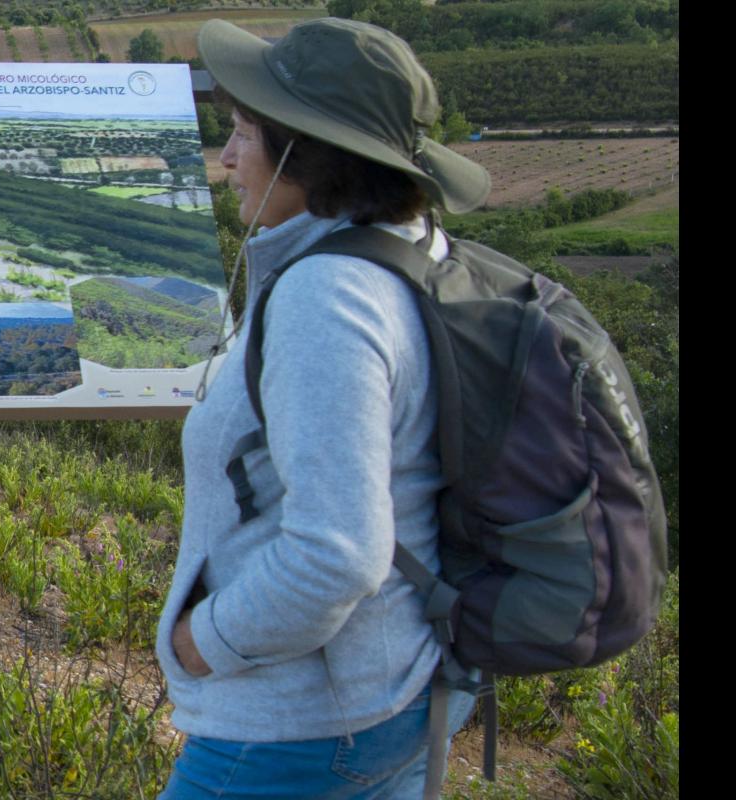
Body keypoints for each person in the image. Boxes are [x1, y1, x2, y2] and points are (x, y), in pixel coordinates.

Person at [155, 17, 492, 799]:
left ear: (306, 157)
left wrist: (201, 641)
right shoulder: (413, 252)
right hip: (403, 686)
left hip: (295, 724)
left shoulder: (327, 296)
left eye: (244, 135)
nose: (228, 158)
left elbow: (336, 552)